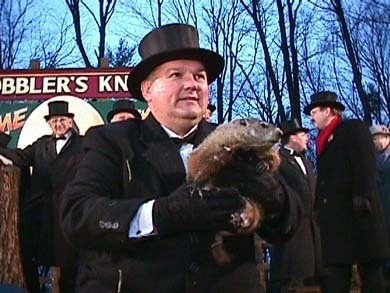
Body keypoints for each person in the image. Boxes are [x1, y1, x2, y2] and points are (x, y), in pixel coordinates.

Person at [59, 23, 301, 293]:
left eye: (200, 77)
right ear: (148, 89)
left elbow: (287, 225)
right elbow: (77, 216)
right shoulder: (111, 141)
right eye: (176, 75)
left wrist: (270, 193)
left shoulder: (237, 140)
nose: (192, 85)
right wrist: (161, 214)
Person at [304, 90, 388, 293]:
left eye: (315, 111)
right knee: (334, 277)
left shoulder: (351, 129)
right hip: (337, 224)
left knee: (371, 277)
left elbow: (365, 161)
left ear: (328, 111)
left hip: (360, 217)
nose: (312, 117)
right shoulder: (324, 141)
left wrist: (363, 194)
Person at [0, 100, 84, 292]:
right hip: (42, 215)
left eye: (62, 120)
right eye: (54, 121)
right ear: (49, 124)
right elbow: (20, 156)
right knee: (38, 261)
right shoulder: (41, 145)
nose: (58, 124)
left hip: (68, 211)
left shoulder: (83, 144)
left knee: (69, 263)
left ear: (70, 122)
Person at [268, 118, 323, 292]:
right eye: (302, 134)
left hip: (312, 234)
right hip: (291, 236)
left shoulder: (307, 162)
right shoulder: (277, 160)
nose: (307, 137)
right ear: (291, 137)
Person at [370, 124, 390, 291]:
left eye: (379, 138)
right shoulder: (371, 163)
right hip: (380, 217)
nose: (376, 141)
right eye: (374, 139)